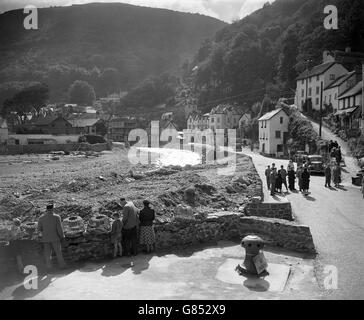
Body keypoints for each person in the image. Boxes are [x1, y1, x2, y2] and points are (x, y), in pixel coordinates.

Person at [38, 203, 66, 270]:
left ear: (46, 209)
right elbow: (59, 228)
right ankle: (62, 266)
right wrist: (62, 237)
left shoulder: (41, 218)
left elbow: (39, 229)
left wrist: (41, 237)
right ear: (52, 209)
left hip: (45, 239)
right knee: (58, 253)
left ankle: (49, 267)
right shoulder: (56, 217)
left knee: (47, 254)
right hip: (55, 238)